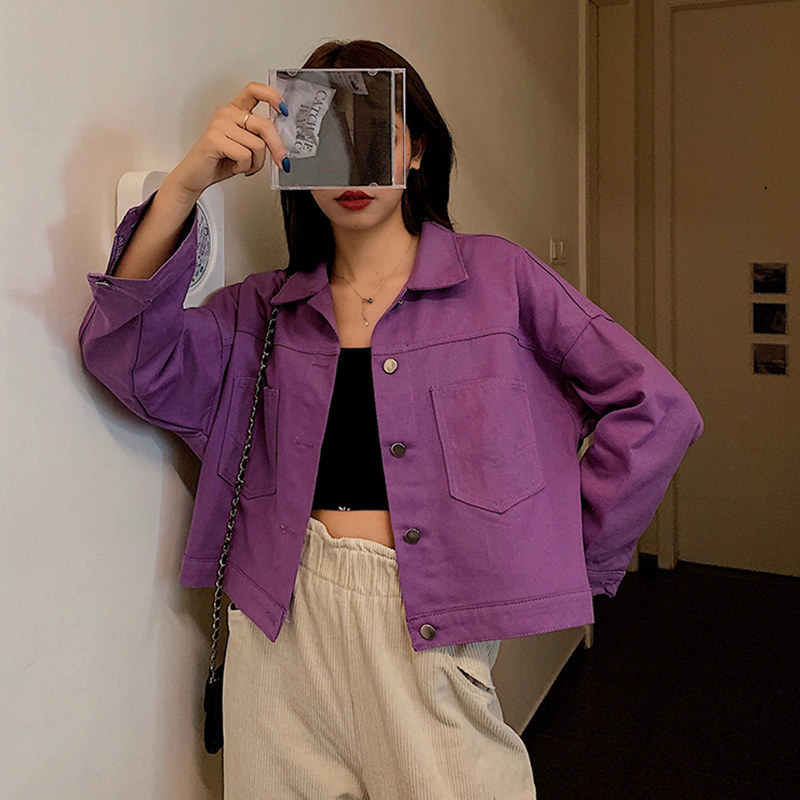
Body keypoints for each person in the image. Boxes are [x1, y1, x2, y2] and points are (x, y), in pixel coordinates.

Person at [79, 38, 703, 800]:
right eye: (321, 139)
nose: (351, 170)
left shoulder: (499, 279)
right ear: (290, 158)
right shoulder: (264, 310)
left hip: (425, 632)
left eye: (374, 133)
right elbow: (125, 354)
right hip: (278, 630)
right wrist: (185, 185)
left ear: (416, 150)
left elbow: (655, 408)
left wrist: (561, 549)